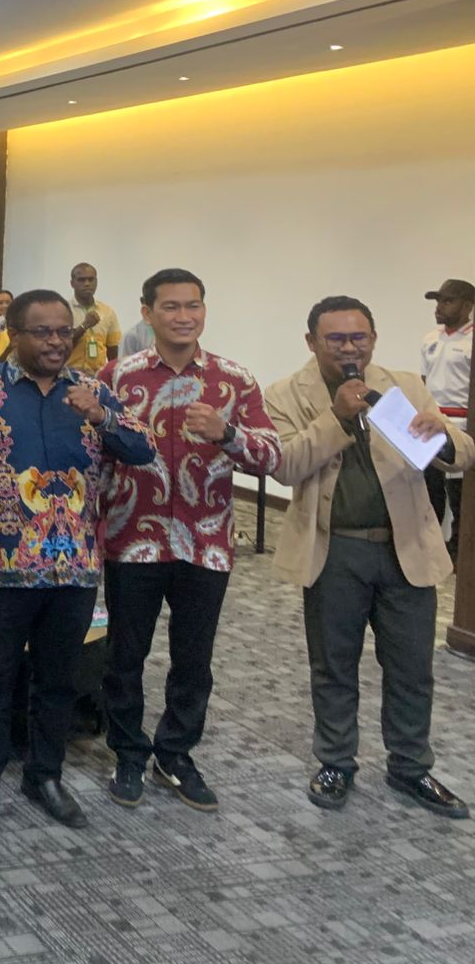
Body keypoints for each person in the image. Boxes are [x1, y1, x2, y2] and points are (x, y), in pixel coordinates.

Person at [0, 290, 154, 831]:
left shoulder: (92, 390)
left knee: (59, 679)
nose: (57, 341)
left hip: (75, 565)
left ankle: (45, 775)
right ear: (13, 335)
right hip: (3, 564)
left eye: (64, 331)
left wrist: (101, 416)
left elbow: (142, 449)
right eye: (43, 332)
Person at [265, 296, 471, 819]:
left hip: (407, 548)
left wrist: (443, 437)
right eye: (335, 339)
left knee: (412, 668)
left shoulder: (404, 385)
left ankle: (411, 766)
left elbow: (462, 453)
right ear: (312, 342)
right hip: (334, 549)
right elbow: (285, 465)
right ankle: (336, 762)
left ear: (373, 340)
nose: (349, 348)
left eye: (358, 338)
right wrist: (336, 416)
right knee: (333, 666)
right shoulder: (285, 394)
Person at [97, 269, 282, 811]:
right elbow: (96, 458)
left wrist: (228, 433)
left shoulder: (234, 380)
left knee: (194, 659)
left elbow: (271, 456)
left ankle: (175, 753)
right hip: (133, 539)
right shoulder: (116, 377)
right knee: (125, 655)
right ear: (147, 313)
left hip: (207, 542)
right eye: (171, 307)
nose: (184, 317)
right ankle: (128, 752)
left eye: (193, 306)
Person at [420, 278, 473, 558]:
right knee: (430, 489)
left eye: (448, 301)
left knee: (460, 494)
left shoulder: (471, 340)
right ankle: (430, 548)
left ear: (467, 306)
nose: (439, 307)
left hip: (462, 424)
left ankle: (459, 552)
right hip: (431, 422)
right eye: (438, 301)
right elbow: (424, 381)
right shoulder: (431, 338)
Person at [69, 262, 121, 375]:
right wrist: (84, 326)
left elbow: (112, 348)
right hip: (69, 376)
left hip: (98, 376)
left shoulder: (108, 312)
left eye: (91, 279)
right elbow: (62, 344)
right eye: (81, 280)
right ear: (72, 283)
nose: (87, 284)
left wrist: (112, 375)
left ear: (96, 281)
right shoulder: (64, 310)